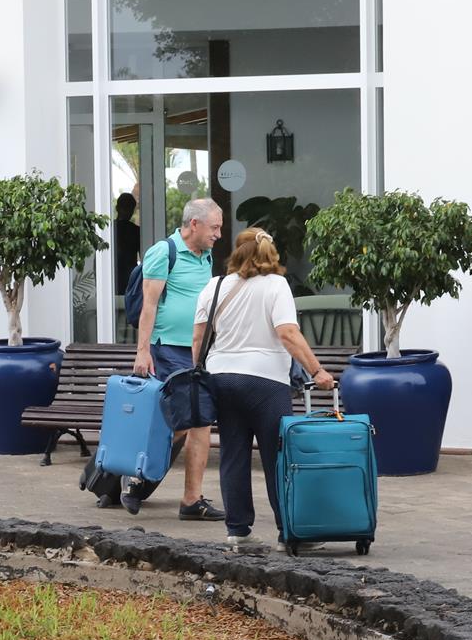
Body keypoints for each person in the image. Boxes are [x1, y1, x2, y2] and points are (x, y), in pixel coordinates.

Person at [191, 227, 335, 553]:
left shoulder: (213, 287)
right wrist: (317, 370)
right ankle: (290, 533)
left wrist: (204, 374)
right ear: (270, 253)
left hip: (222, 378)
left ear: (237, 252)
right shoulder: (276, 285)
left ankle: (238, 531)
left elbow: (198, 340)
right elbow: (287, 333)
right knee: (278, 457)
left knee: (233, 454)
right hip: (266, 381)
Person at [130, 195, 226, 521]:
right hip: (168, 349)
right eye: (214, 227)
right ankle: (136, 475)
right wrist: (142, 351)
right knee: (189, 422)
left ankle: (188, 498)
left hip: (199, 351)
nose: (218, 234)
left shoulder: (206, 256)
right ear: (194, 224)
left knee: (198, 422)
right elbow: (149, 306)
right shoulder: (164, 253)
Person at [113, 192, 140, 301]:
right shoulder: (135, 230)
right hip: (128, 277)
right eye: (126, 207)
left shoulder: (108, 229)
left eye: (129, 208)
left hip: (121, 276)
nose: (128, 211)